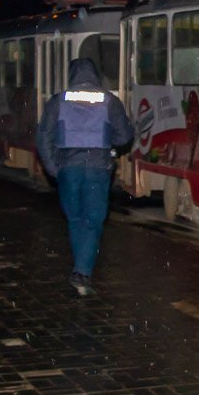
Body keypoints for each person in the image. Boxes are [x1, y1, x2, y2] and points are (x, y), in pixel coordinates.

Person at [36, 58, 134, 297]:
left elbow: (43, 137)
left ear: (71, 76)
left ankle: (80, 270)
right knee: (92, 220)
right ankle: (82, 272)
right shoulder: (109, 101)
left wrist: (53, 168)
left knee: (75, 219)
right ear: (95, 76)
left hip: (68, 168)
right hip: (98, 169)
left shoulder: (58, 101)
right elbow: (123, 137)